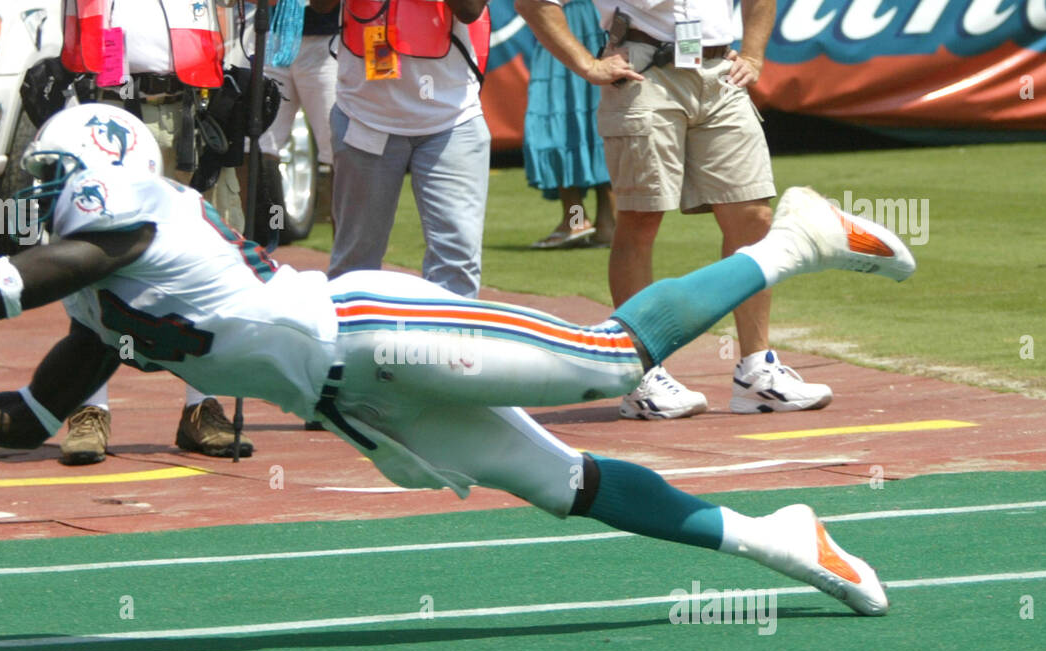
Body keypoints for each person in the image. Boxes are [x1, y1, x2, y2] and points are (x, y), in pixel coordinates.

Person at [0, 103, 915, 616]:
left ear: (99, 173)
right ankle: (777, 538)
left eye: (49, 177)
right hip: (353, 403)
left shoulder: (135, 229)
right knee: (565, 482)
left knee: (606, 362)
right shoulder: (103, 300)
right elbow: (29, 421)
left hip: (375, 332)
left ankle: (797, 235)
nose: (33, 200)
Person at [516, 0, 835, 421]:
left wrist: (755, 54)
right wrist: (587, 65)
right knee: (640, 218)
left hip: (721, 72)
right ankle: (640, 376)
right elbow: (533, 3)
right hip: (642, 70)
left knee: (753, 216)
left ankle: (757, 373)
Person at [55, 0, 252, 464]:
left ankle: (202, 405)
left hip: (192, 109)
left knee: (208, 264)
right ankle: (89, 408)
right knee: (91, 262)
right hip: (105, 109)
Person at [313, 0, 492, 298]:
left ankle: (446, 341)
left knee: (457, 260)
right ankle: (353, 341)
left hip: (451, 120)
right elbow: (321, 6)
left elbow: (470, 9)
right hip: (365, 117)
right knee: (355, 263)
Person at [523, 0, 615, 250]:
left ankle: (581, 220)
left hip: (565, 20)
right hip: (589, 19)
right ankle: (597, 223)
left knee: (567, 123)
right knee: (584, 122)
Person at [260, 6, 340, 228]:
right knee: (258, 146)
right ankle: (269, 234)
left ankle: (345, 257)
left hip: (326, 42)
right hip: (273, 38)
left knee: (339, 151)